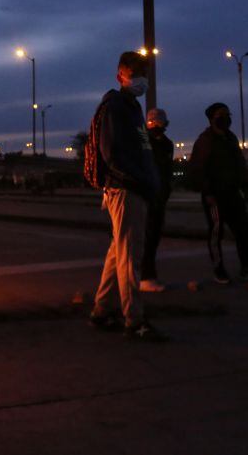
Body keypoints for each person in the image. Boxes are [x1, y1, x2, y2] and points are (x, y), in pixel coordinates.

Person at [87, 51, 165, 341]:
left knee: (118, 252)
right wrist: (140, 181)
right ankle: (134, 320)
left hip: (134, 188)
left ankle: (102, 311)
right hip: (126, 190)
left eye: (144, 75)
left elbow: (140, 151)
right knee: (130, 255)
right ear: (121, 76)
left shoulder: (131, 107)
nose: (142, 81)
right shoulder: (116, 107)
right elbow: (112, 154)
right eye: (136, 76)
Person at [188, 103, 248, 284]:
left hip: (233, 194)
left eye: (227, 114)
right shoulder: (205, 141)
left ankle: (247, 267)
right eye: (221, 115)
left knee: (244, 231)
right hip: (214, 196)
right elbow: (198, 169)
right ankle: (219, 269)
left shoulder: (230, 138)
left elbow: (239, 164)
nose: (226, 118)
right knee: (216, 233)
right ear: (212, 118)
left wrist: (245, 187)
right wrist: (207, 191)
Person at [140, 108, 173, 292]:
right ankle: (146, 276)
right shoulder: (142, 142)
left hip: (159, 196)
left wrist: (166, 190)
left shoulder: (167, 144)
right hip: (146, 196)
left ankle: (147, 275)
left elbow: (166, 172)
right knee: (147, 237)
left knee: (153, 237)